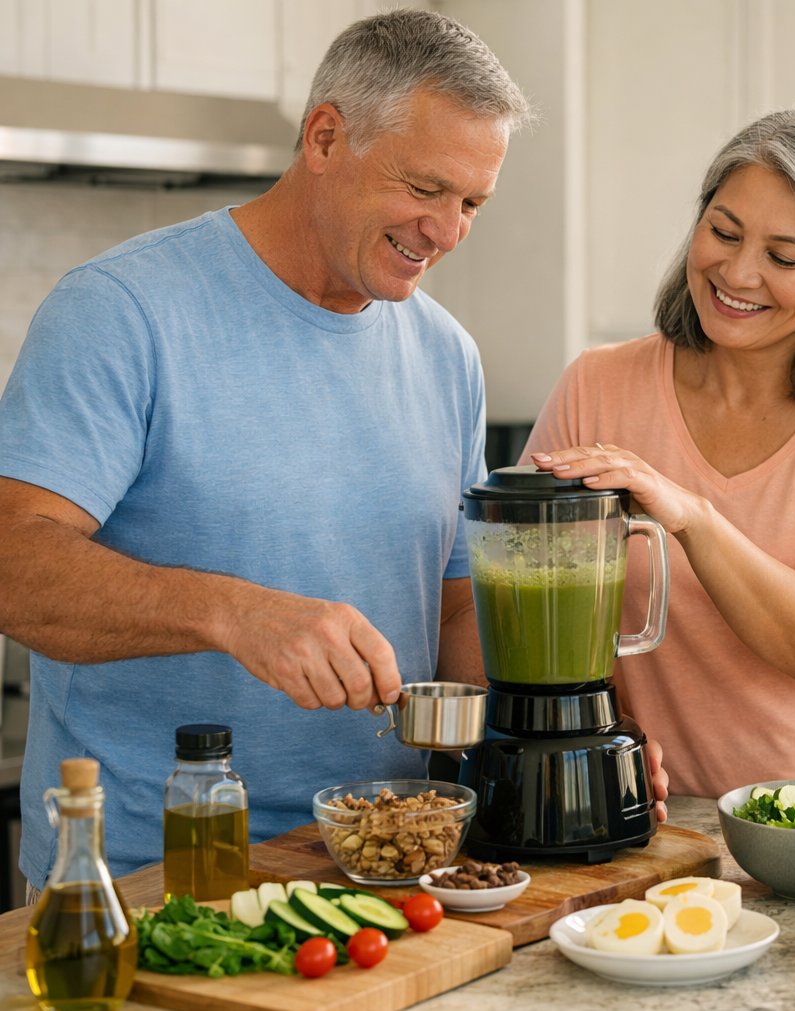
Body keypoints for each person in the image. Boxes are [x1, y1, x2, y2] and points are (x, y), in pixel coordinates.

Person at [0, 9, 666, 891]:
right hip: (153, 877)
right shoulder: (123, 311)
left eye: (471, 203)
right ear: (324, 138)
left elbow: (457, 610)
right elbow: (13, 561)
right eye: (425, 189)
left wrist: (565, 758)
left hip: (388, 863)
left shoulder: (445, 353)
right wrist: (235, 613)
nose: (448, 232)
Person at [524, 107, 795, 797]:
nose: (738, 273)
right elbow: (535, 601)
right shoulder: (597, 387)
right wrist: (609, 729)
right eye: (723, 232)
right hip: (679, 830)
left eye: (784, 258)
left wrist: (692, 516)